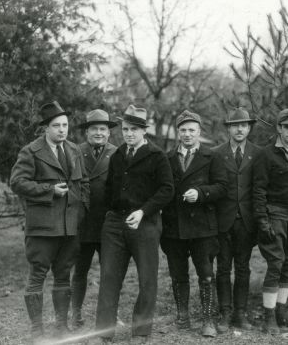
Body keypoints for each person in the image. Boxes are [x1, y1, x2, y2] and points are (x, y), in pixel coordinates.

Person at [10, 101, 89, 341]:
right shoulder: (31, 151)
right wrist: (49, 190)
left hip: (69, 227)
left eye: (65, 125)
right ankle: (37, 330)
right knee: (37, 276)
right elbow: (17, 182)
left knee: (64, 275)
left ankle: (61, 326)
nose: (62, 130)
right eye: (56, 126)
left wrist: (81, 210)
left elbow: (83, 183)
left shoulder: (74, 150)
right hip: (42, 227)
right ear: (46, 127)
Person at [94, 105, 174, 342]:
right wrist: (114, 212)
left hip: (145, 224)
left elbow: (167, 189)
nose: (128, 134)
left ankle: (140, 331)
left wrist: (143, 211)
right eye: (125, 129)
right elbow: (109, 188)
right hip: (116, 225)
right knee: (109, 277)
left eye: (134, 130)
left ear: (144, 131)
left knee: (147, 278)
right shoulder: (118, 155)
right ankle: (104, 333)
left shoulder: (157, 156)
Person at [161, 110, 228, 337]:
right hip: (174, 227)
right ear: (177, 133)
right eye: (183, 130)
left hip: (203, 227)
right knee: (178, 274)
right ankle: (182, 316)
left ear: (199, 132)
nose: (187, 134)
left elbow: (222, 187)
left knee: (206, 274)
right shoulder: (167, 158)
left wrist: (201, 193)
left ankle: (208, 319)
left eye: (192, 130)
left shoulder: (212, 157)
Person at [253, 108, 288, 334]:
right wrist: (262, 220)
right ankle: (268, 319)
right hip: (274, 214)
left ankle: (281, 313)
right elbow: (258, 190)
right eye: (286, 127)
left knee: (287, 263)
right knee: (275, 264)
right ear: (279, 128)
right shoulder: (267, 155)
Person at [212, 107, 261, 332]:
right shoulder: (216, 153)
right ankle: (225, 312)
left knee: (243, 268)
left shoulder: (259, 153)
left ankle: (240, 313)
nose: (239, 129)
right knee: (223, 268)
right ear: (228, 128)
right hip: (223, 220)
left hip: (247, 221)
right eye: (235, 125)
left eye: (243, 125)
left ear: (249, 127)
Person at [70, 109, 117, 329]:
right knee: (80, 271)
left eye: (103, 129)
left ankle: (107, 317)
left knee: (109, 272)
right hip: (83, 223)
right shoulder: (75, 152)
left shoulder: (118, 154)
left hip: (108, 224)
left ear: (109, 133)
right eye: (94, 129)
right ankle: (75, 314)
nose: (98, 133)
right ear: (86, 132)